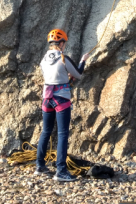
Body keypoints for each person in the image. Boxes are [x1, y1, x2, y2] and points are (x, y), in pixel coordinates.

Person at [35, 29, 89, 181]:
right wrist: (83, 60)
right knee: (62, 134)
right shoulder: (64, 58)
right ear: (62, 43)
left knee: (45, 131)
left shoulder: (44, 59)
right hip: (61, 98)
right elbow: (78, 74)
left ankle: (39, 166)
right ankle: (61, 171)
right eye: (64, 43)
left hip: (47, 98)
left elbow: (51, 76)